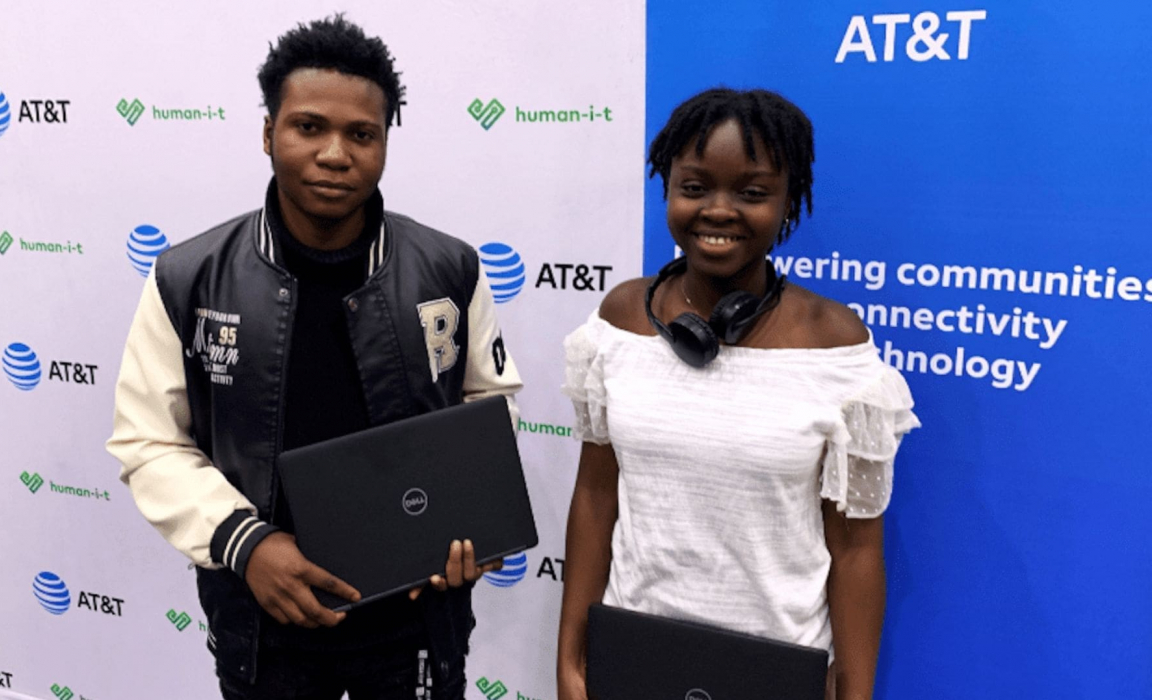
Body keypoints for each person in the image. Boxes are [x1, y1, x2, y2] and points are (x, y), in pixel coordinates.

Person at [107, 15, 522, 700]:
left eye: (362, 134)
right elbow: (147, 440)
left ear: (385, 142)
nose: (336, 153)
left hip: (415, 619)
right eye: (308, 127)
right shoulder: (189, 276)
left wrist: (472, 514)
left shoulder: (449, 268)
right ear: (268, 133)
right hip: (264, 617)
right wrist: (247, 543)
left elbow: (489, 403)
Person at [555, 88, 919, 700]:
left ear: (788, 202)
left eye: (751, 193)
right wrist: (570, 657)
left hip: (774, 671)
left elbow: (856, 547)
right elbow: (595, 495)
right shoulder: (619, 323)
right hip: (634, 656)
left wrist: (854, 691)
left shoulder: (833, 345)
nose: (717, 211)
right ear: (667, 188)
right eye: (694, 187)